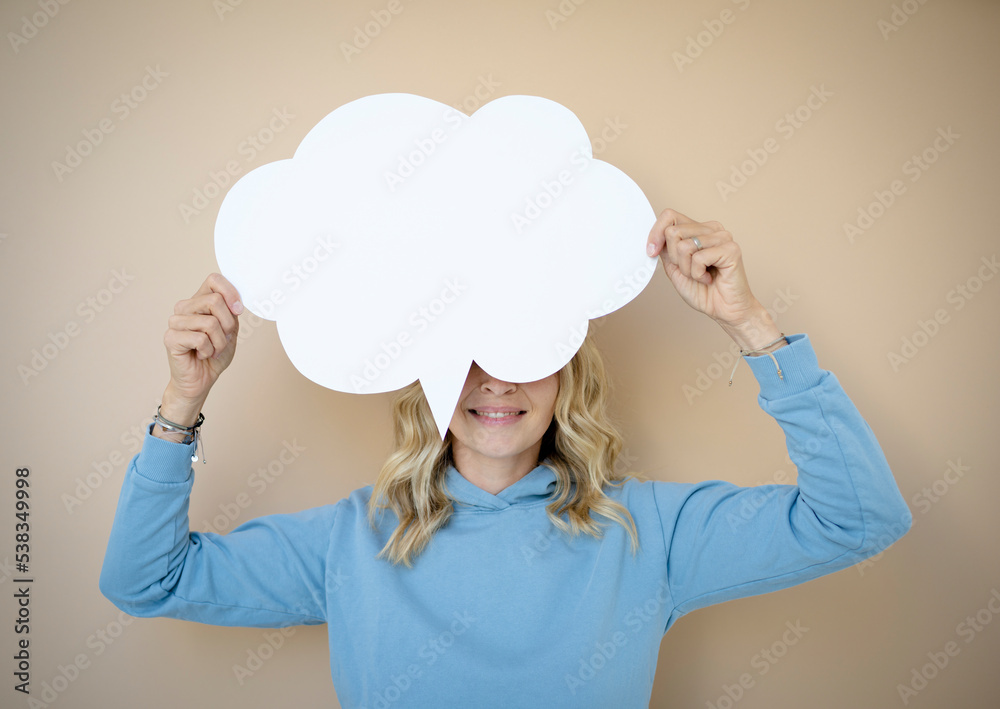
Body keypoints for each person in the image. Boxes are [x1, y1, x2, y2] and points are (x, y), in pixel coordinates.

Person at [100, 209, 911, 708]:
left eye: (525, 349)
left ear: (566, 373)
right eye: (468, 354)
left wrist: (749, 321)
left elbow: (860, 517)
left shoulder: (649, 531)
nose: (495, 380)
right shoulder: (351, 540)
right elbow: (144, 580)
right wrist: (183, 400)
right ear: (427, 376)